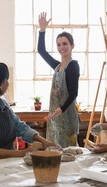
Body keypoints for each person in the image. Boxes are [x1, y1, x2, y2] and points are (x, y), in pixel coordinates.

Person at [38, 12, 80, 148]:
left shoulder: (72, 65)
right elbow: (41, 51)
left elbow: (73, 93)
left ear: (72, 45)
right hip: (55, 118)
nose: (61, 47)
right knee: (53, 150)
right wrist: (42, 30)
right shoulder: (57, 66)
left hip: (66, 116)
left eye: (65, 44)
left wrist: (60, 110)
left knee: (67, 152)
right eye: (59, 45)